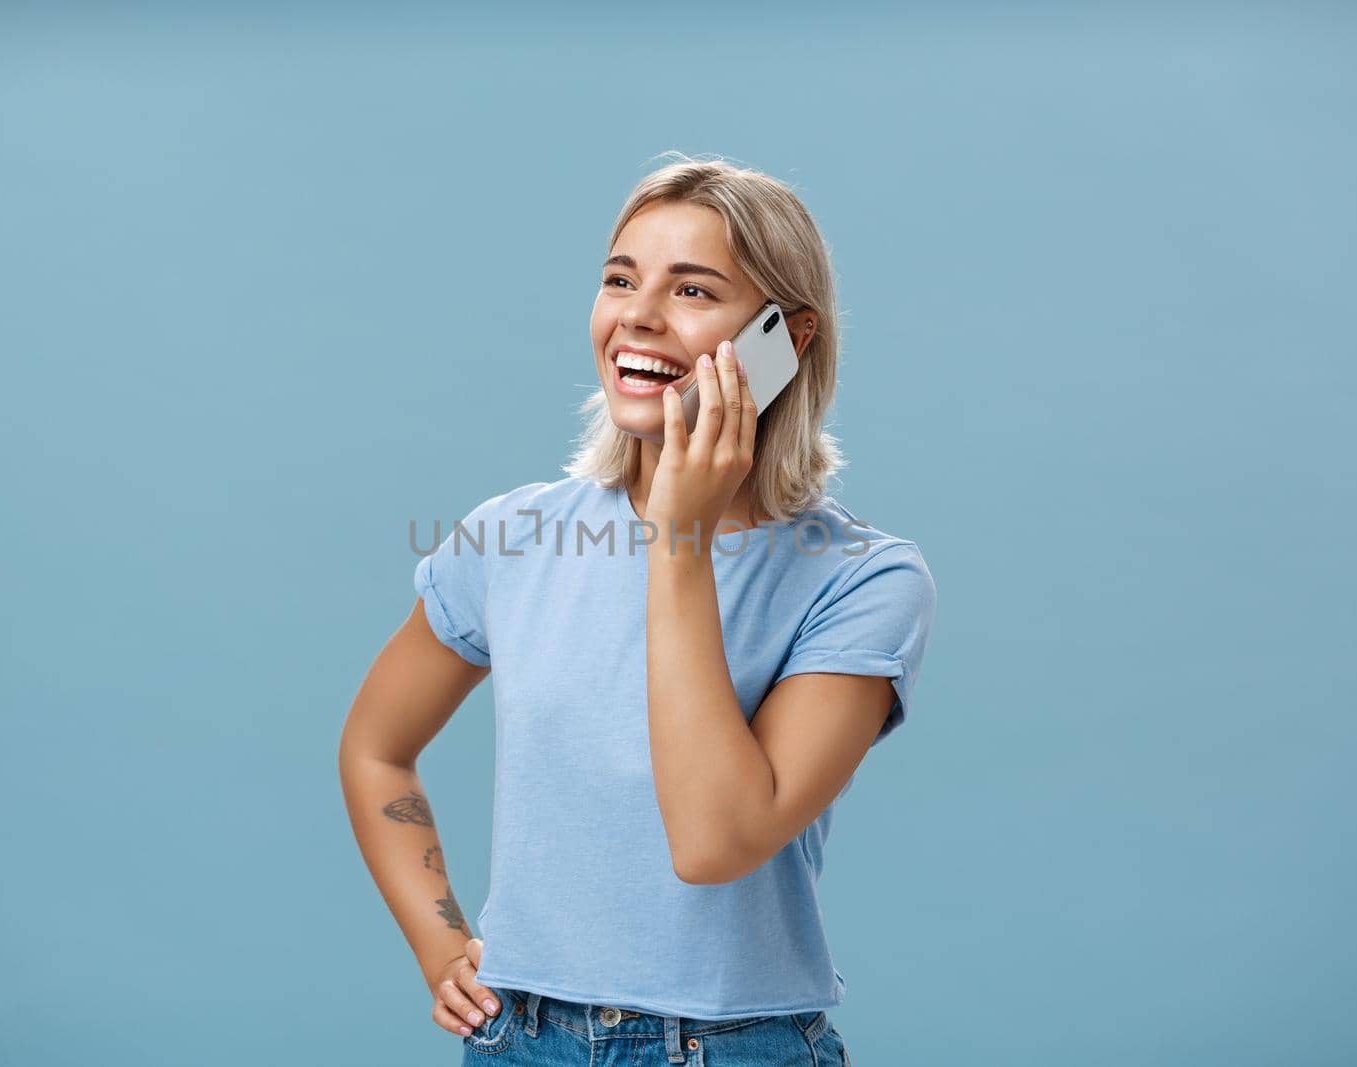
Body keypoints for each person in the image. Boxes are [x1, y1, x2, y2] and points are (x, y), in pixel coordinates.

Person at [338, 153, 936, 1065]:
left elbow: (714, 840)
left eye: (693, 290)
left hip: (734, 1044)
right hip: (521, 1037)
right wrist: (439, 940)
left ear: (789, 337)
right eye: (621, 279)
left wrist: (680, 540)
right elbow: (377, 748)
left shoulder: (863, 578)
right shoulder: (513, 536)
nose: (638, 317)